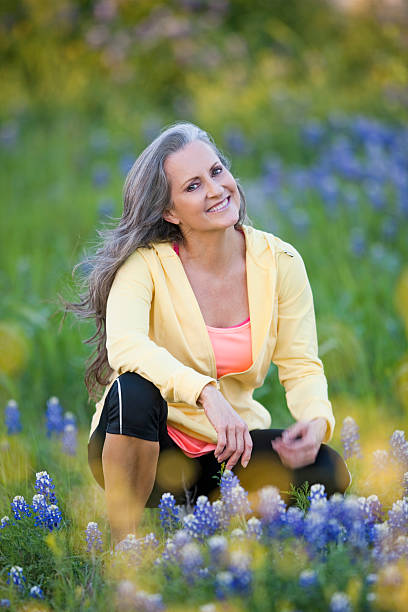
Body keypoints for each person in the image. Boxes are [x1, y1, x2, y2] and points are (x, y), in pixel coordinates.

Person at [68, 121, 351, 544]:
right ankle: (125, 549)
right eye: (193, 186)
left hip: (228, 451)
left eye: (217, 172)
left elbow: (300, 362)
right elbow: (126, 346)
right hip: (146, 444)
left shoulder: (280, 261)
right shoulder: (144, 266)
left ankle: (222, 533)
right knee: (133, 389)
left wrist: (315, 420)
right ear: (169, 211)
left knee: (329, 470)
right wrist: (206, 392)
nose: (216, 190)